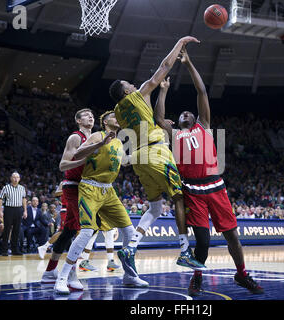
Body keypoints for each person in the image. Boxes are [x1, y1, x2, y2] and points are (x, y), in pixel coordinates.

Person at [154, 47, 263, 296]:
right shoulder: (175, 134)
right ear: (178, 121)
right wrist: (163, 91)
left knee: (232, 236)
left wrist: (189, 63)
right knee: (202, 242)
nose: (185, 113)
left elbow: (201, 91)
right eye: (181, 113)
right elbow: (159, 119)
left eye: (188, 112)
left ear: (195, 117)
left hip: (216, 186)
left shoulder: (204, 125)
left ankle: (242, 274)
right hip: (193, 190)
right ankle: (198, 276)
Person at [109, 35, 205, 274]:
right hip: (156, 153)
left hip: (140, 159)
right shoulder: (138, 94)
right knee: (179, 198)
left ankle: (130, 248)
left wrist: (162, 94)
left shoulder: (119, 112)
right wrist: (179, 43)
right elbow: (164, 67)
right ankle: (184, 251)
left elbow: (147, 120)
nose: (133, 84)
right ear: (126, 91)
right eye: (129, 84)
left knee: (154, 208)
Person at [54, 111, 145, 295]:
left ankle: (129, 274)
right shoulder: (98, 135)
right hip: (90, 187)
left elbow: (124, 162)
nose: (118, 119)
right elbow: (77, 153)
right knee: (86, 231)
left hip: (109, 190)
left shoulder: (119, 142)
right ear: (105, 122)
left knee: (130, 232)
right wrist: (100, 143)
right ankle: (62, 278)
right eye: (114, 116)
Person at [41, 109, 100, 284]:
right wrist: (85, 161)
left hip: (87, 187)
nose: (91, 116)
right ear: (78, 121)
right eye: (86, 115)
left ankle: (50, 271)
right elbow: (63, 165)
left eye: (92, 114)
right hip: (73, 186)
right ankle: (71, 273)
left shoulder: (95, 139)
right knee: (87, 226)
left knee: (69, 231)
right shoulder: (75, 137)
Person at [0, 172, 27, 256]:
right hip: (9, 209)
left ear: (19, 179)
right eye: (14, 177)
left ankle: (15, 250)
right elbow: (0, 199)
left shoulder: (22, 188)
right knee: (7, 229)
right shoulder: (6, 187)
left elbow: (24, 199)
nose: (15, 179)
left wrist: (25, 210)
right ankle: (4, 250)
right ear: (11, 178)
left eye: (17, 177)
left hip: (19, 209)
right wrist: (0, 210)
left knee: (16, 230)